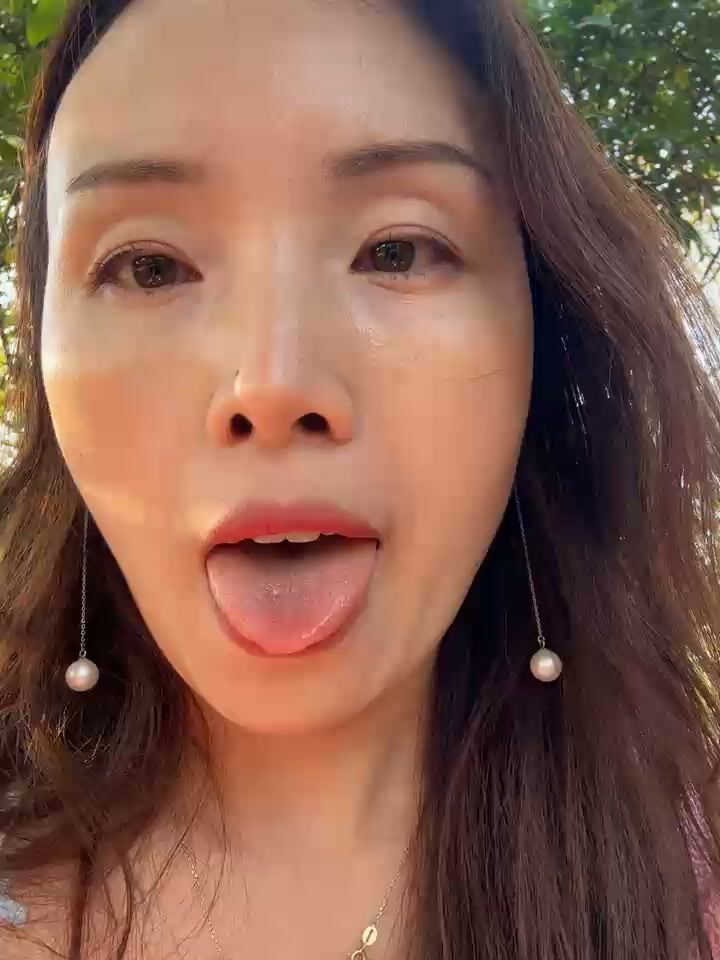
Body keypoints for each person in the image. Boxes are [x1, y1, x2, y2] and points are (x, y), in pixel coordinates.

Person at [1, 0, 719, 956]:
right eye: (149, 267)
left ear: (545, 333)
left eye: (396, 250)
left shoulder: (686, 883)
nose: (272, 385)